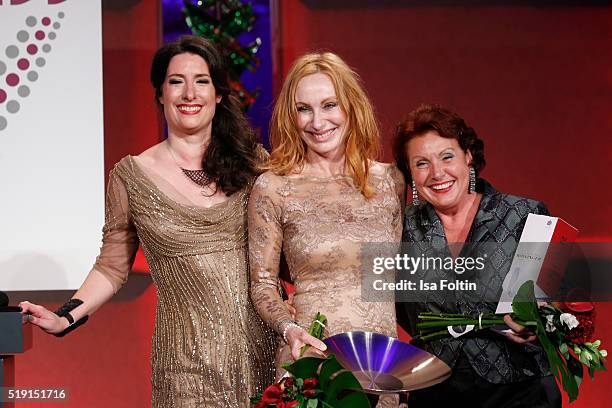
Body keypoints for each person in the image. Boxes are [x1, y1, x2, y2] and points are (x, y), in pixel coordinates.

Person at [19, 35, 276, 407]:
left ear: (218, 93)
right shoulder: (131, 175)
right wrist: (64, 318)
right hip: (186, 368)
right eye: (176, 81)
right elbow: (111, 267)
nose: (189, 93)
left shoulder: (255, 164)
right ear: (160, 93)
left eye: (201, 81)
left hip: (263, 355)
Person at [248, 52, 405, 407]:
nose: (318, 121)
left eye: (329, 105)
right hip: (311, 366)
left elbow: (396, 279)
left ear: (351, 107)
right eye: (304, 109)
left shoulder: (390, 181)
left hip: (381, 368)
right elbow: (261, 285)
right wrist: (289, 330)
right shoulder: (273, 187)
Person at [393, 104, 561, 407]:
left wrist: (537, 320)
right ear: (409, 174)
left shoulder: (523, 215)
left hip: (518, 388)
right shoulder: (401, 228)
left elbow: (553, 303)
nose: (437, 173)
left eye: (447, 156)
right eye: (421, 163)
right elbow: (400, 310)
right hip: (434, 390)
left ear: (468, 156)